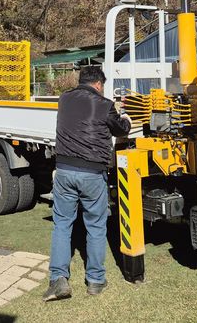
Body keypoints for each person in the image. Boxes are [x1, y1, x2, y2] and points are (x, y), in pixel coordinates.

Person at [43, 66, 132, 302]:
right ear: (99, 84)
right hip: (92, 173)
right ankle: (95, 280)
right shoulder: (104, 105)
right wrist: (125, 117)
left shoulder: (64, 99)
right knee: (95, 225)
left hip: (63, 170)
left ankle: (58, 279)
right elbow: (121, 129)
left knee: (62, 224)